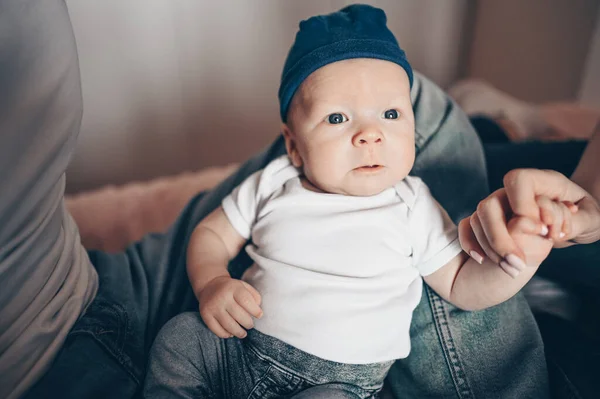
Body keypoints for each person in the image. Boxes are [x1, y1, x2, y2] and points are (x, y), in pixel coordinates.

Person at [0, 1, 553, 398]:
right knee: (182, 337)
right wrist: (213, 281)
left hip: (337, 382)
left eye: (392, 114)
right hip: (238, 350)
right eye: (338, 119)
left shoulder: (412, 204)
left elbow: (460, 285)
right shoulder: (273, 184)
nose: (370, 134)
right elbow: (213, 234)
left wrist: (516, 263)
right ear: (292, 144)